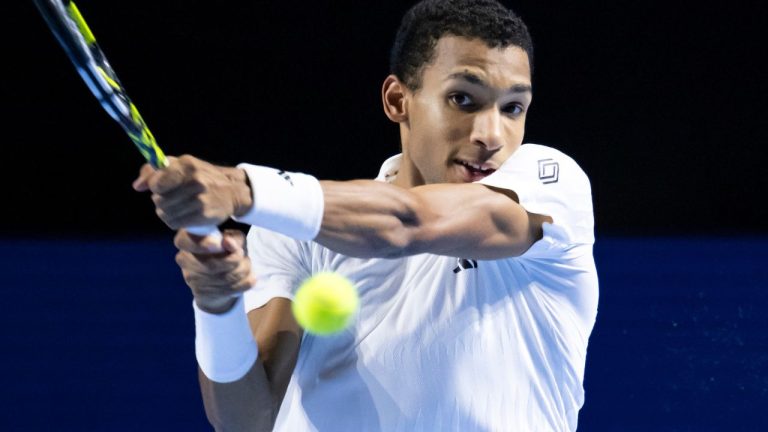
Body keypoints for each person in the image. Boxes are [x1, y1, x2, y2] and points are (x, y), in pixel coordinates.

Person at [133, 0, 598, 430]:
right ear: (398, 100)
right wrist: (217, 306)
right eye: (463, 99)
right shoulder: (296, 235)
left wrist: (240, 187)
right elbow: (245, 421)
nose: (491, 134)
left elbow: (407, 223)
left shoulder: (549, 187)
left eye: (513, 107)